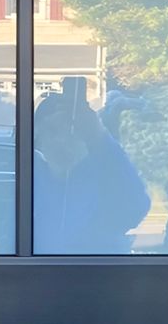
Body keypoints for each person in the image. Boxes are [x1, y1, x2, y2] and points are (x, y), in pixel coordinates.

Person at [34, 80, 152, 252]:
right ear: (37, 137)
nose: (62, 140)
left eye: (72, 131)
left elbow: (135, 209)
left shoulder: (106, 178)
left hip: (97, 276)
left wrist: (98, 137)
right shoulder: (25, 181)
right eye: (52, 130)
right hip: (38, 276)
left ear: (88, 137)